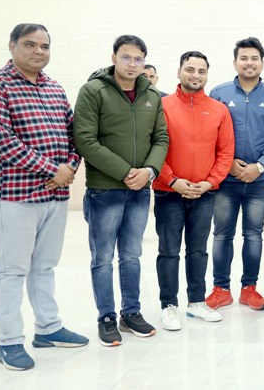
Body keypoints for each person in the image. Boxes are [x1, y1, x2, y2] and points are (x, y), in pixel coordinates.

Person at [0, 23, 89, 371]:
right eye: (30, 44)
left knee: (44, 266)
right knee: (12, 270)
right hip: (14, 196)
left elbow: (73, 135)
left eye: (45, 46)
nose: (39, 51)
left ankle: (48, 328)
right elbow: (2, 142)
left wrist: (69, 167)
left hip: (55, 196)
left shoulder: (54, 88)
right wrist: (51, 169)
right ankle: (9, 341)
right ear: (12, 46)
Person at [74, 35, 169, 346]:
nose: (132, 64)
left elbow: (161, 139)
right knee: (102, 257)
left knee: (131, 255)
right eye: (126, 57)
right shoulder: (93, 91)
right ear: (114, 57)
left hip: (140, 189)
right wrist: (125, 172)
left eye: (138, 59)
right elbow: (85, 139)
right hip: (105, 190)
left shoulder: (151, 95)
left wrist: (149, 171)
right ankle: (106, 317)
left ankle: (131, 313)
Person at [205, 37, 264, 311]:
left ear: (262, 63)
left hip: (259, 182)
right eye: (243, 58)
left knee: (253, 235)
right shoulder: (218, 94)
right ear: (235, 62)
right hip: (225, 180)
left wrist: (260, 166)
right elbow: (208, 134)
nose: (249, 63)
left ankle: (249, 289)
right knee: (222, 235)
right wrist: (227, 163)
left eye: (254, 58)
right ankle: (220, 289)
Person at [153, 51, 234, 330]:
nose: (195, 75)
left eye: (201, 71)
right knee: (169, 250)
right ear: (178, 72)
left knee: (198, 250)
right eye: (190, 69)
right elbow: (153, 148)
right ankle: (168, 306)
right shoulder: (162, 106)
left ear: (207, 75)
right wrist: (172, 180)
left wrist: (209, 183)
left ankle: (197, 302)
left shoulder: (218, 110)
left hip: (204, 193)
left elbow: (225, 152)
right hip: (168, 191)